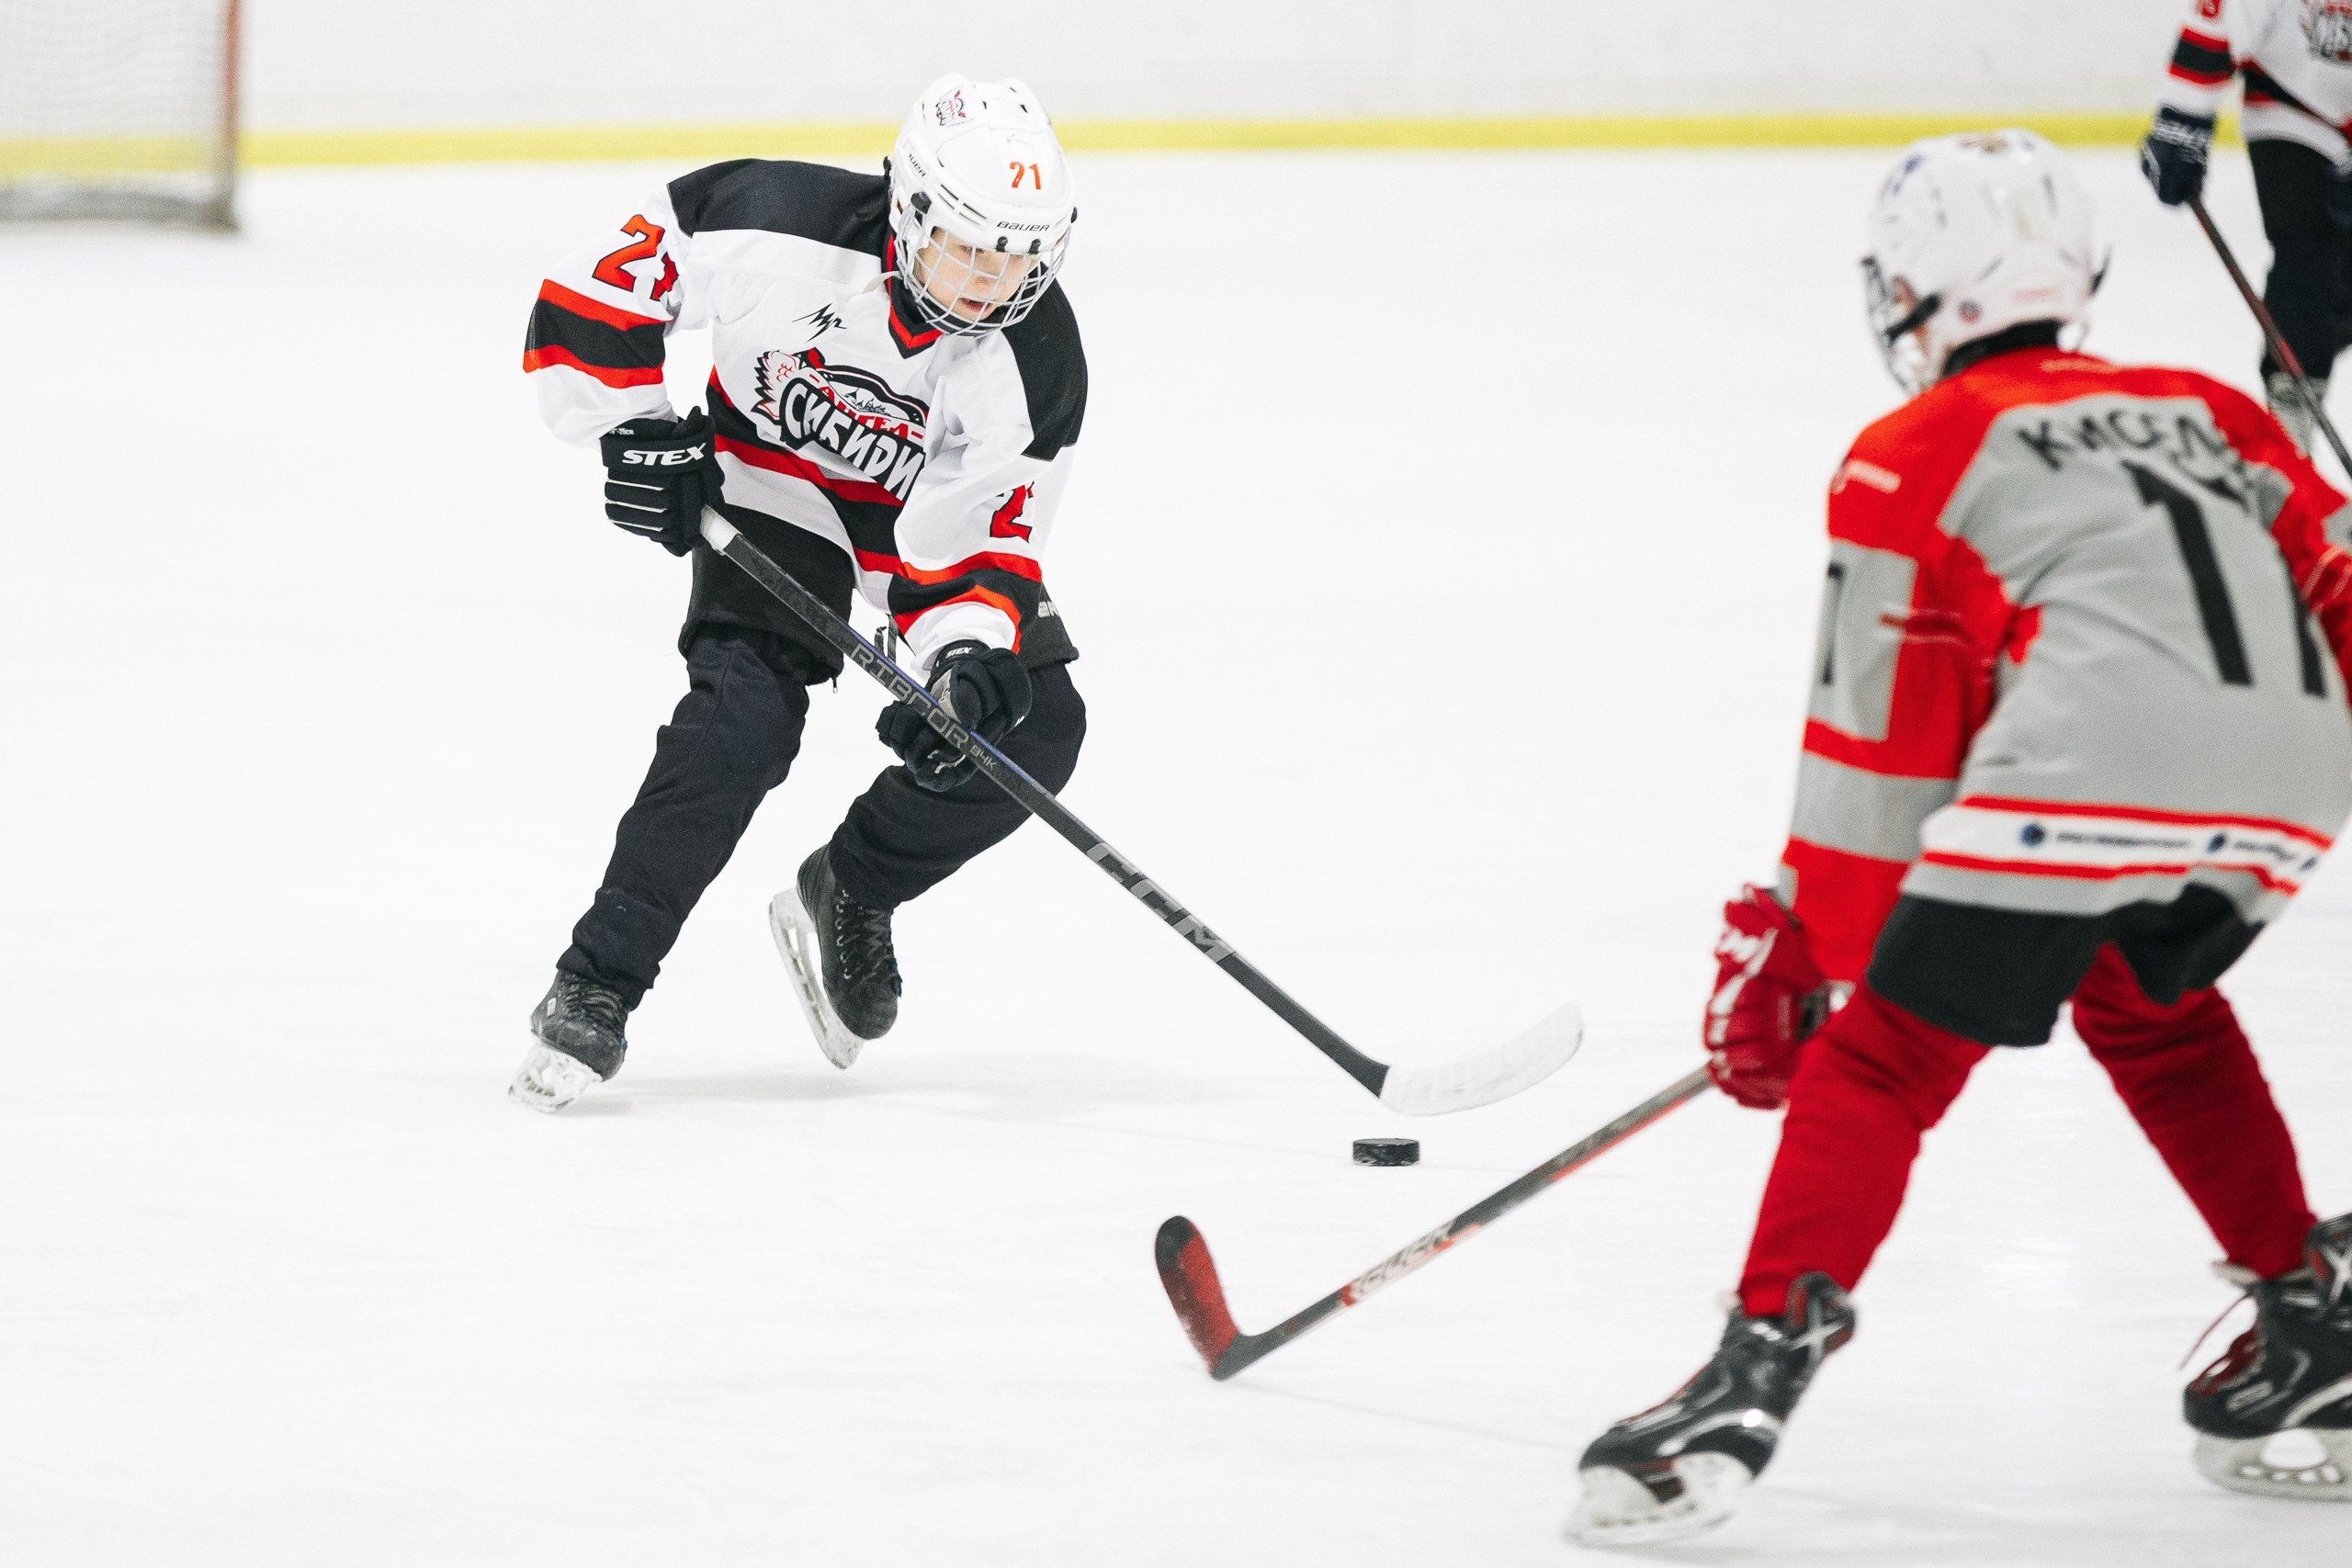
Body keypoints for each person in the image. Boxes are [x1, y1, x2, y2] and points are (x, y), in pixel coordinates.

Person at [1568, 130, 2352, 1547]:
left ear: (1924, 292)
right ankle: (2313, 1313)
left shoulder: (1906, 453)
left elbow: (1879, 755)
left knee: (1888, 1052)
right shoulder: (2213, 411)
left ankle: (1751, 1372)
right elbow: (2337, 590)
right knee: (2147, 1003)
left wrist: (1800, 952)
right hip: (2297, 774)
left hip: (2094, 763)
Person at [508, 75, 1090, 1111]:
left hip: (909, 521)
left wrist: (957, 660)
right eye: (965, 244)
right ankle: (596, 983)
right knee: (742, 721)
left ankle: (854, 883)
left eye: (1014, 255)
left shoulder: (1035, 362)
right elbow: (593, 296)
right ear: (906, 208)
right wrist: (637, 424)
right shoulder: (768, 221)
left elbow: (972, 541)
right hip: (768, 489)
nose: (986, 280)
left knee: (1034, 733)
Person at [2141, 0, 2352, 451]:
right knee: (2308, 255)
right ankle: (2290, 418)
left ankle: (2306, 352)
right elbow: (2223, 12)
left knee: (2339, 284)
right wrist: (2182, 115)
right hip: (2294, 104)